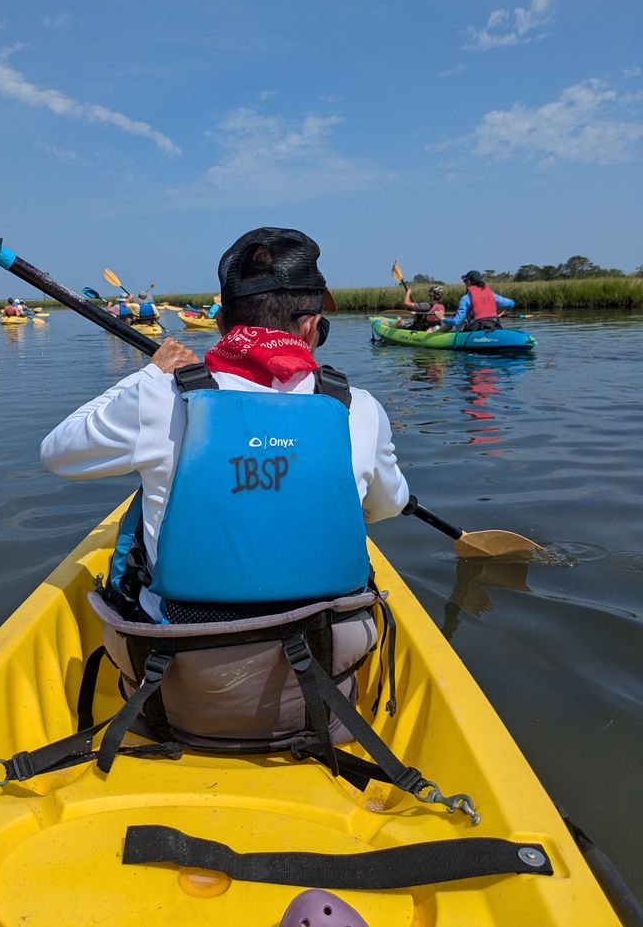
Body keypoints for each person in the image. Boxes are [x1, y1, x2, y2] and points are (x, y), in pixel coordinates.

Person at [38, 227, 411, 776]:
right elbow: (386, 508)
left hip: (181, 684)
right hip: (321, 692)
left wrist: (150, 371)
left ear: (219, 322)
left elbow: (57, 454)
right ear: (312, 326)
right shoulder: (359, 407)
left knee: (138, 527)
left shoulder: (159, 394)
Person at [447, 271, 514, 331]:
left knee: (454, 320)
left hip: (476, 328)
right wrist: (504, 312)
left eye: (465, 281)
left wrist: (442, 318)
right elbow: (511, 303)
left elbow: (456, 322)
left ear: (469, 282)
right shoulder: (492, 295)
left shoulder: (465, 298)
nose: (465, 283)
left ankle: (443, 334)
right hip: (494, 325)